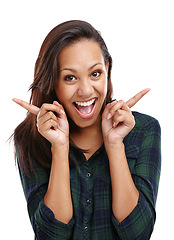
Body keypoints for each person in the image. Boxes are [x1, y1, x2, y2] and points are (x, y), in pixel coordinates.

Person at [12, 20, 161, 240]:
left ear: (107, 68)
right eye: (70, 77)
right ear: (53, 80)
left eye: (95, 74)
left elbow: (137, 233)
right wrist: (59, 148)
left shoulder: (144, 130)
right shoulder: (32, 137)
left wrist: (115, 145)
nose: (85, 90)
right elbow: (49, 236)